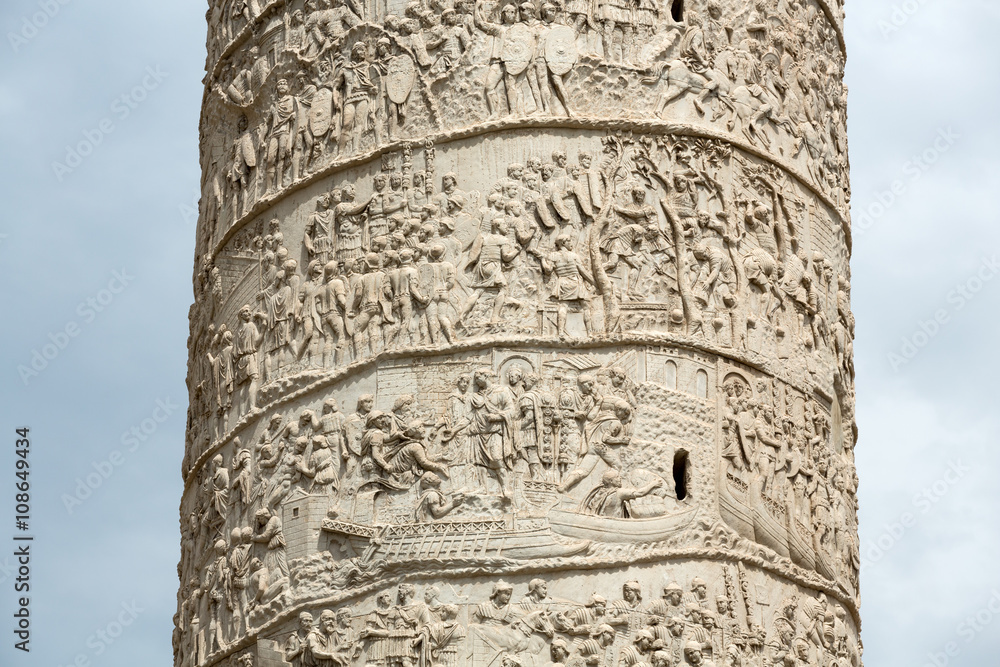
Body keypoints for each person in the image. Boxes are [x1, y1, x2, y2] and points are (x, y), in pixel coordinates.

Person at [580, 469, 663, 518]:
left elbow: (591, 506)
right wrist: (653, 484)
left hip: (603, 521)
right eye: (617, 477)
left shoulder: (600, 492)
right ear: (611, 481)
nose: (620, 478)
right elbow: (640, 493)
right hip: (615, 523)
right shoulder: (619, 492)